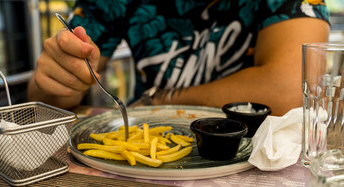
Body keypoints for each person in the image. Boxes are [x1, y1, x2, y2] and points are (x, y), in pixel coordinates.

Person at [27, 0, 330, 116]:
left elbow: (294, 88)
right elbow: (45, 102)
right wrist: (56, 79)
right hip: (143, 146)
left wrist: (160, 100)